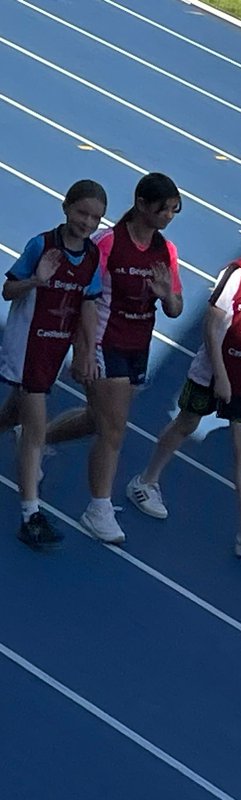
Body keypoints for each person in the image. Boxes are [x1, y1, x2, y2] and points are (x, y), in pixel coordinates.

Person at [126, 208, 241, 557]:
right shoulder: (236, 275)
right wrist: (220, 375)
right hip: (213, 371)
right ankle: (145, 482)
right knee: (185, 424)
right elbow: (211, 325)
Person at [46, 172, 184, 545]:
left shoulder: (165, 252)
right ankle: (98, 509)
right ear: (141, 204)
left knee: (97, 420)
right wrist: (84, 351)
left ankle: (39, 437)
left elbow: (175, 307)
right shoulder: (108, 244)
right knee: (113, 429)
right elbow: (82, 297)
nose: (169, 216)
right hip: (105, 343)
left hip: (138, 347)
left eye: (174, 211)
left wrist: (166, 293)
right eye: (164, 209)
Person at [1, 179, 106, 547]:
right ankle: (30, 515)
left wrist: (87, 350)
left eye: (96, 217)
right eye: (82, 213)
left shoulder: (92, 257)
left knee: (13, 414)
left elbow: (88, 304)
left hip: (55, 349)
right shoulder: (41, 245)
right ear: (66, 207)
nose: (88, 222)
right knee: (34, 429)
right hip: (26, 346)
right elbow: (8, 290)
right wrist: (36, 280)